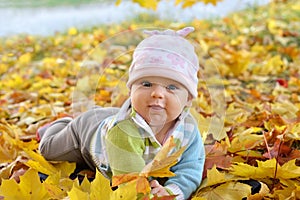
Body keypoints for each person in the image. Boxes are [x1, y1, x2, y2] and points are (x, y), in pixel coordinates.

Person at [38, 26, 205, 200]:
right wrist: (149, 195)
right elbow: (130, 184)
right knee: (48, 149)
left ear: (188, 100)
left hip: (112, 115)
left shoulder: (188, 129)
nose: (157, 93)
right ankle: (62, 123)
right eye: (146, 84)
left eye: (171, 87)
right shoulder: (123, 132)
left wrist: (173, 191)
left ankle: (99, 113)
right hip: (86, 133)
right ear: (131, 91)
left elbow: (191, 166)